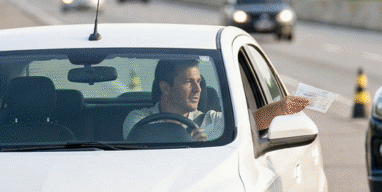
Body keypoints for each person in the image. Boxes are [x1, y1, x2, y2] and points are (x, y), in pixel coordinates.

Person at [122, 59, 308, 141]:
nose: (198, 89)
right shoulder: (139, 120)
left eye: (199, 82)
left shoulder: (212, 120)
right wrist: (190, 142)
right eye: (188, 82)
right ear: (165, 88)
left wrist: (279, 108)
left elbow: (250, 122)